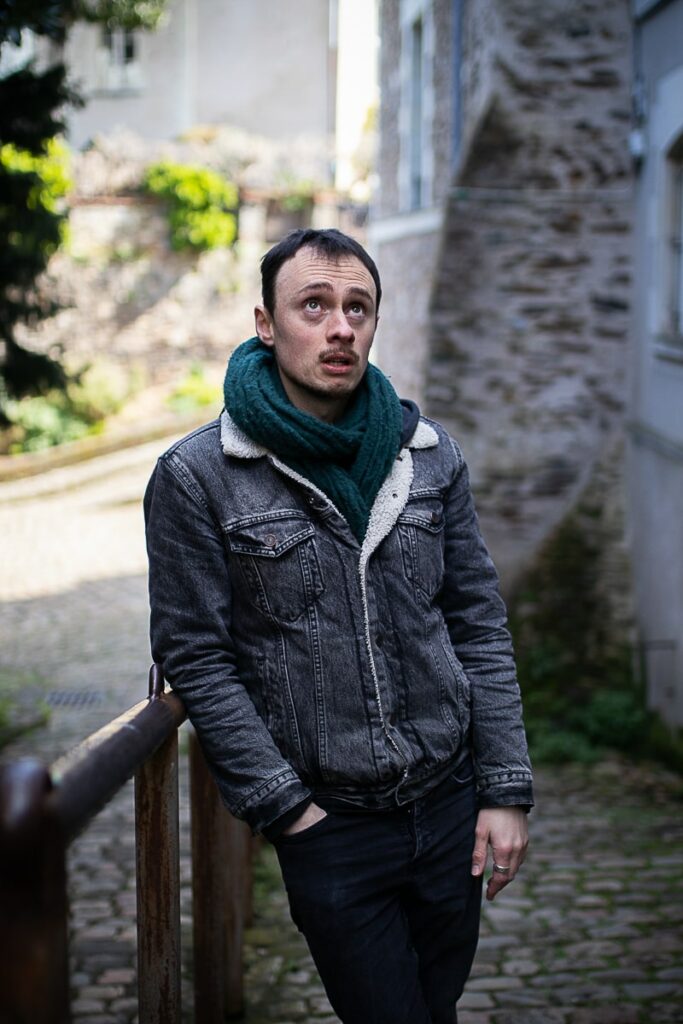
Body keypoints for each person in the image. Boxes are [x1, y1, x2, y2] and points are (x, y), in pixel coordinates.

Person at [144, 228, 533, 1024]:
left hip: (449, 803)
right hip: (331, 823)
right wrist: (288, 811)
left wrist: (503, 789)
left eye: (357, 307)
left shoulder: (427, 457)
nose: (339, 327)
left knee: (436, 1006)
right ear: (266, 323)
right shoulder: (199, 477)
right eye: (313, 305)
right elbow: (197, 658)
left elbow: (478, 626)